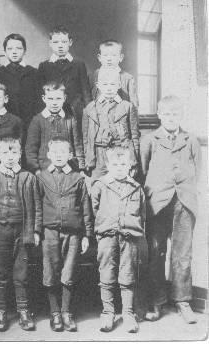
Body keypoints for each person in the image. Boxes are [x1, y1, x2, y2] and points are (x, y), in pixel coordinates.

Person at [141, 96, 201, 324]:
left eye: (175, 113)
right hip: (157, 204)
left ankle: (183, 301)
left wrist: (186, 193)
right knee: (156, 253)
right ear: (159, 115)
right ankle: (156, 302)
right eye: (167, 114)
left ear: (181, 115)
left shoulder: (191, 140)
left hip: (183, 203)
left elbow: (197, 171)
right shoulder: (149, 140)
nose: (171, 118)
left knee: (182, 254)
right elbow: (144, 170)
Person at [0, 136, 41, 332]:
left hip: (22, 231)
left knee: (21, 274)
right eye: (5, 152)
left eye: (14, 152)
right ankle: (0, 311)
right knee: (0, 273)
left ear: (20, 153)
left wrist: (36, 230)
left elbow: (37, 208)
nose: (10, 157)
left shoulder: (29, 178)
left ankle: (23, 311)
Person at [36, 137, 93, 332]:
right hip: (49, 232)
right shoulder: (42, 177)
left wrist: (86, 235)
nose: (59, 156)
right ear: (49, 155)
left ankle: (67, 312)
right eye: (55, 153)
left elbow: (86, 208)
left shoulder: (78, 178)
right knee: (50, 271)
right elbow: (37, 207)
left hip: (73, 233)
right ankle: (55, 313)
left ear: (70, 155)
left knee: (69, 271)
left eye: (63, 152)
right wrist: (37, 231)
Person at [89, 145, 145, 333]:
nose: (120, 167)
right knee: (106, 274)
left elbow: (141, 215)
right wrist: (106, 226)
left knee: (128, 275)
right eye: (115, 163)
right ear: (108, 164)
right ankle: (108, 313)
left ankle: (128, 314)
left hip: (129, 239)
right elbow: (94, 210)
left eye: (123, 163)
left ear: (130, 165)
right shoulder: (100, 185)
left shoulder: (136, 188)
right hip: (107, 237)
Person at [83, 68, 140, 179]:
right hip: (98, 155)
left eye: (112, 84)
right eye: (105, 84)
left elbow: (134, 136)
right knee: (97, 186)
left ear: (119, 85)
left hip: (121, 153)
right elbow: (86, 138)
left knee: (121, 186)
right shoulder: (90, 108)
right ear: (98, 85)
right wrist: (88, 160)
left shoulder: (127, 106)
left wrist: (134, 161)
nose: (109, 88)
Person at [25, 82, 84, 174]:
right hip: (45, 169)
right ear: (44, 98)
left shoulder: (70, 120)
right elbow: (31, 149)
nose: (54, 103)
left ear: (64, 98)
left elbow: (78, 146)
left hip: (68, 169)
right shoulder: (37, 120)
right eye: (50, 99)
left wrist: (81, 168)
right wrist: (36, 169)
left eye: (58, 99)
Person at [0, 33, 40, 144]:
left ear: (25, 51)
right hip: (7, 122)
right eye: (10, 49)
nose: (14, 52)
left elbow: (39, 100)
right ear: (4, 51)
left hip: (29, 121)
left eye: (18, 48)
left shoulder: (33, 72)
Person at [37, 25, 91, 123]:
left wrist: (89, 110)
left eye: (64, 42)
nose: (60, 45)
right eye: (56, 42)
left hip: (76, 112)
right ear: (50, 43)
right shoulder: (44, 66)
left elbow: (86, 91)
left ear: (70, 42)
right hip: (53, 111)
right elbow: (41, 94)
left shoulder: (79, 65)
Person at [91, 40, 138, 107]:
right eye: (105, 55)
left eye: (113, 55)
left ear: (120, 58)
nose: (109, 59)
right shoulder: (93, 76)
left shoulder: (127, 78)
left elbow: (134, 105)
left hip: (120, 116)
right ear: (99, 58)